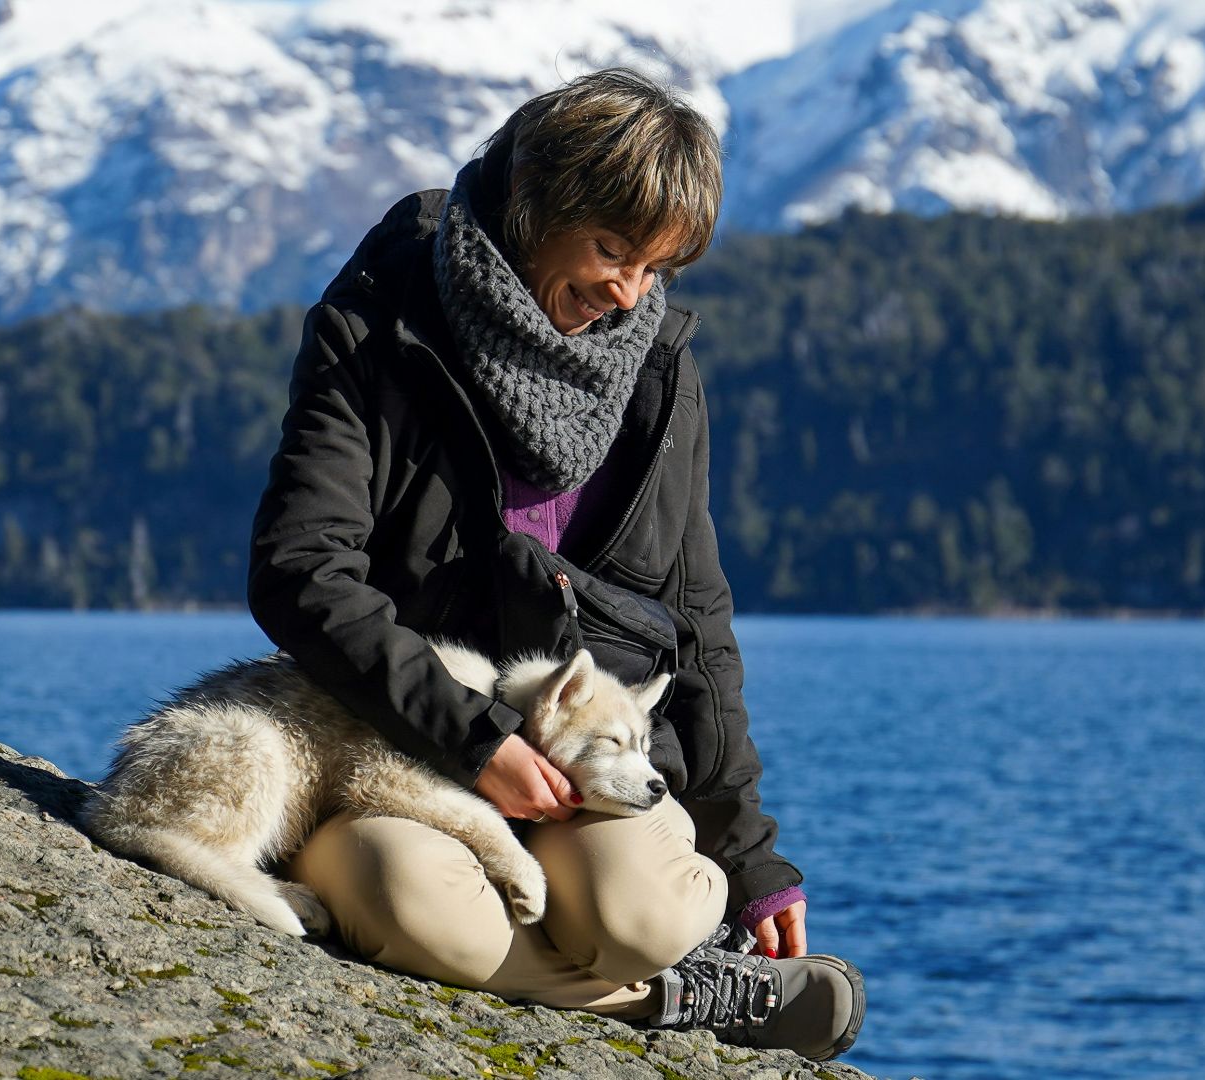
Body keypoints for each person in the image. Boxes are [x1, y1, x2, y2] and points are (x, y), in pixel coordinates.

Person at [246, 68, 864, 1060]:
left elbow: (695, 618)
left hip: (600, 762)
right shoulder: (379, 319)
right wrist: (473, 738)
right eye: (611, 248)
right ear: (539, 203)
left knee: (638, 920)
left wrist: (753, 863)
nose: (626, 293)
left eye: (657, 267)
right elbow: (299, 567)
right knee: (402, 897)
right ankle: (684, 1000)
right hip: (404, 753)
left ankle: (653, 955)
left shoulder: (660, 367)